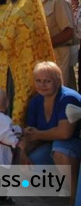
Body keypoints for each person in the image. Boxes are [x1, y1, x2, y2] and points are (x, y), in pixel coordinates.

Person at [19, 62, 81, 203]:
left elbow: (65, 133)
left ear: (58, 80)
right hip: (50, 145)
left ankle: (73, 197)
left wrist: (38, 135)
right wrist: (23, 153)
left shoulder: (68, 98)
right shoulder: (36, 101)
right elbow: (30, 133)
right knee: (30, 165)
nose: (42, 85)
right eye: (38, 81)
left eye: (47, 81)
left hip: (73, 144)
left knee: (60, 149)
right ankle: (61, 186)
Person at [36, 0, 77, 90]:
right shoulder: (42, 1)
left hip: (59, 54)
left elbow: (68, 31)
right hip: (48, 55)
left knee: (58, 90)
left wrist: (45, 44)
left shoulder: (59, 1)